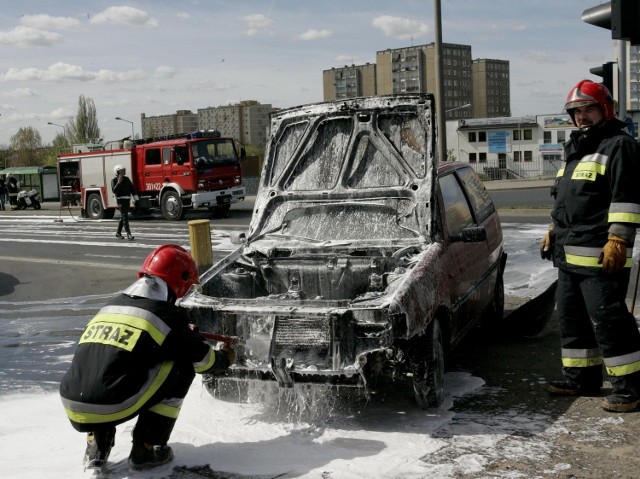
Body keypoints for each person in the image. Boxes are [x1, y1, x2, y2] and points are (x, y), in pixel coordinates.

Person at [59, 244, 236, 471]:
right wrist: (224, 358)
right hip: (111, 403)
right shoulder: (167, 315)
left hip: (74, 403)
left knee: (111, 369)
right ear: (179, 282)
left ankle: (97, 444)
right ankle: (146, 448)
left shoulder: (112, 305)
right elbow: (204, 362)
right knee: (181, 366)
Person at [541, 79, 640, 413]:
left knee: (609, 321)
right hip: (568, 253)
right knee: (572, 320)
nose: (582, 116)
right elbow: (569, 200)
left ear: (605, 109)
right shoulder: (575, 149)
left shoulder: (619, 145)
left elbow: (626, 197)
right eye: (576, 111)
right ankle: (581, 379)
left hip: (601, 254)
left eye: (588, 109)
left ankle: (630, 388)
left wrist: (618, 239)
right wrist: (554, 228)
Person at [111, 164, 137, 240]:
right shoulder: (114, 180)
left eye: (123, 171)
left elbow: (132, 189)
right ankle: (129, 234)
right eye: (121, 171)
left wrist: (135, 198)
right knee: (125, 216)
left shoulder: (127, 179)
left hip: (127, 200)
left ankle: (118, 233)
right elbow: (114, 191)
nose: (122, 172)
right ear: (117, 172)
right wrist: (118, 182)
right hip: (120, 200)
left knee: (123, 216)